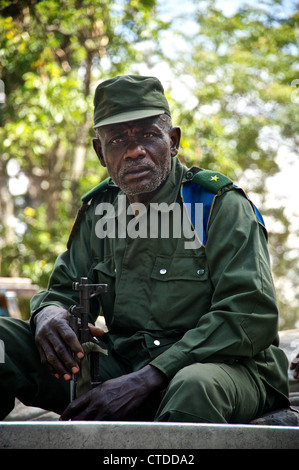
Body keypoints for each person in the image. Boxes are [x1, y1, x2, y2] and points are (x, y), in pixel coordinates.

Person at [0, 75, 291, 423]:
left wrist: (150, 377)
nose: (134, 151)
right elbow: (63, 293)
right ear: (100, 152)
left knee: (193, 386)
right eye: (118, 139)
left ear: (173, 141)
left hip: (224, 370)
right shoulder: (100, 211)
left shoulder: (216, 205)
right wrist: (47, 314)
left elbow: (249, 314)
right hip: (123, 368)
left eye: (148, 136)